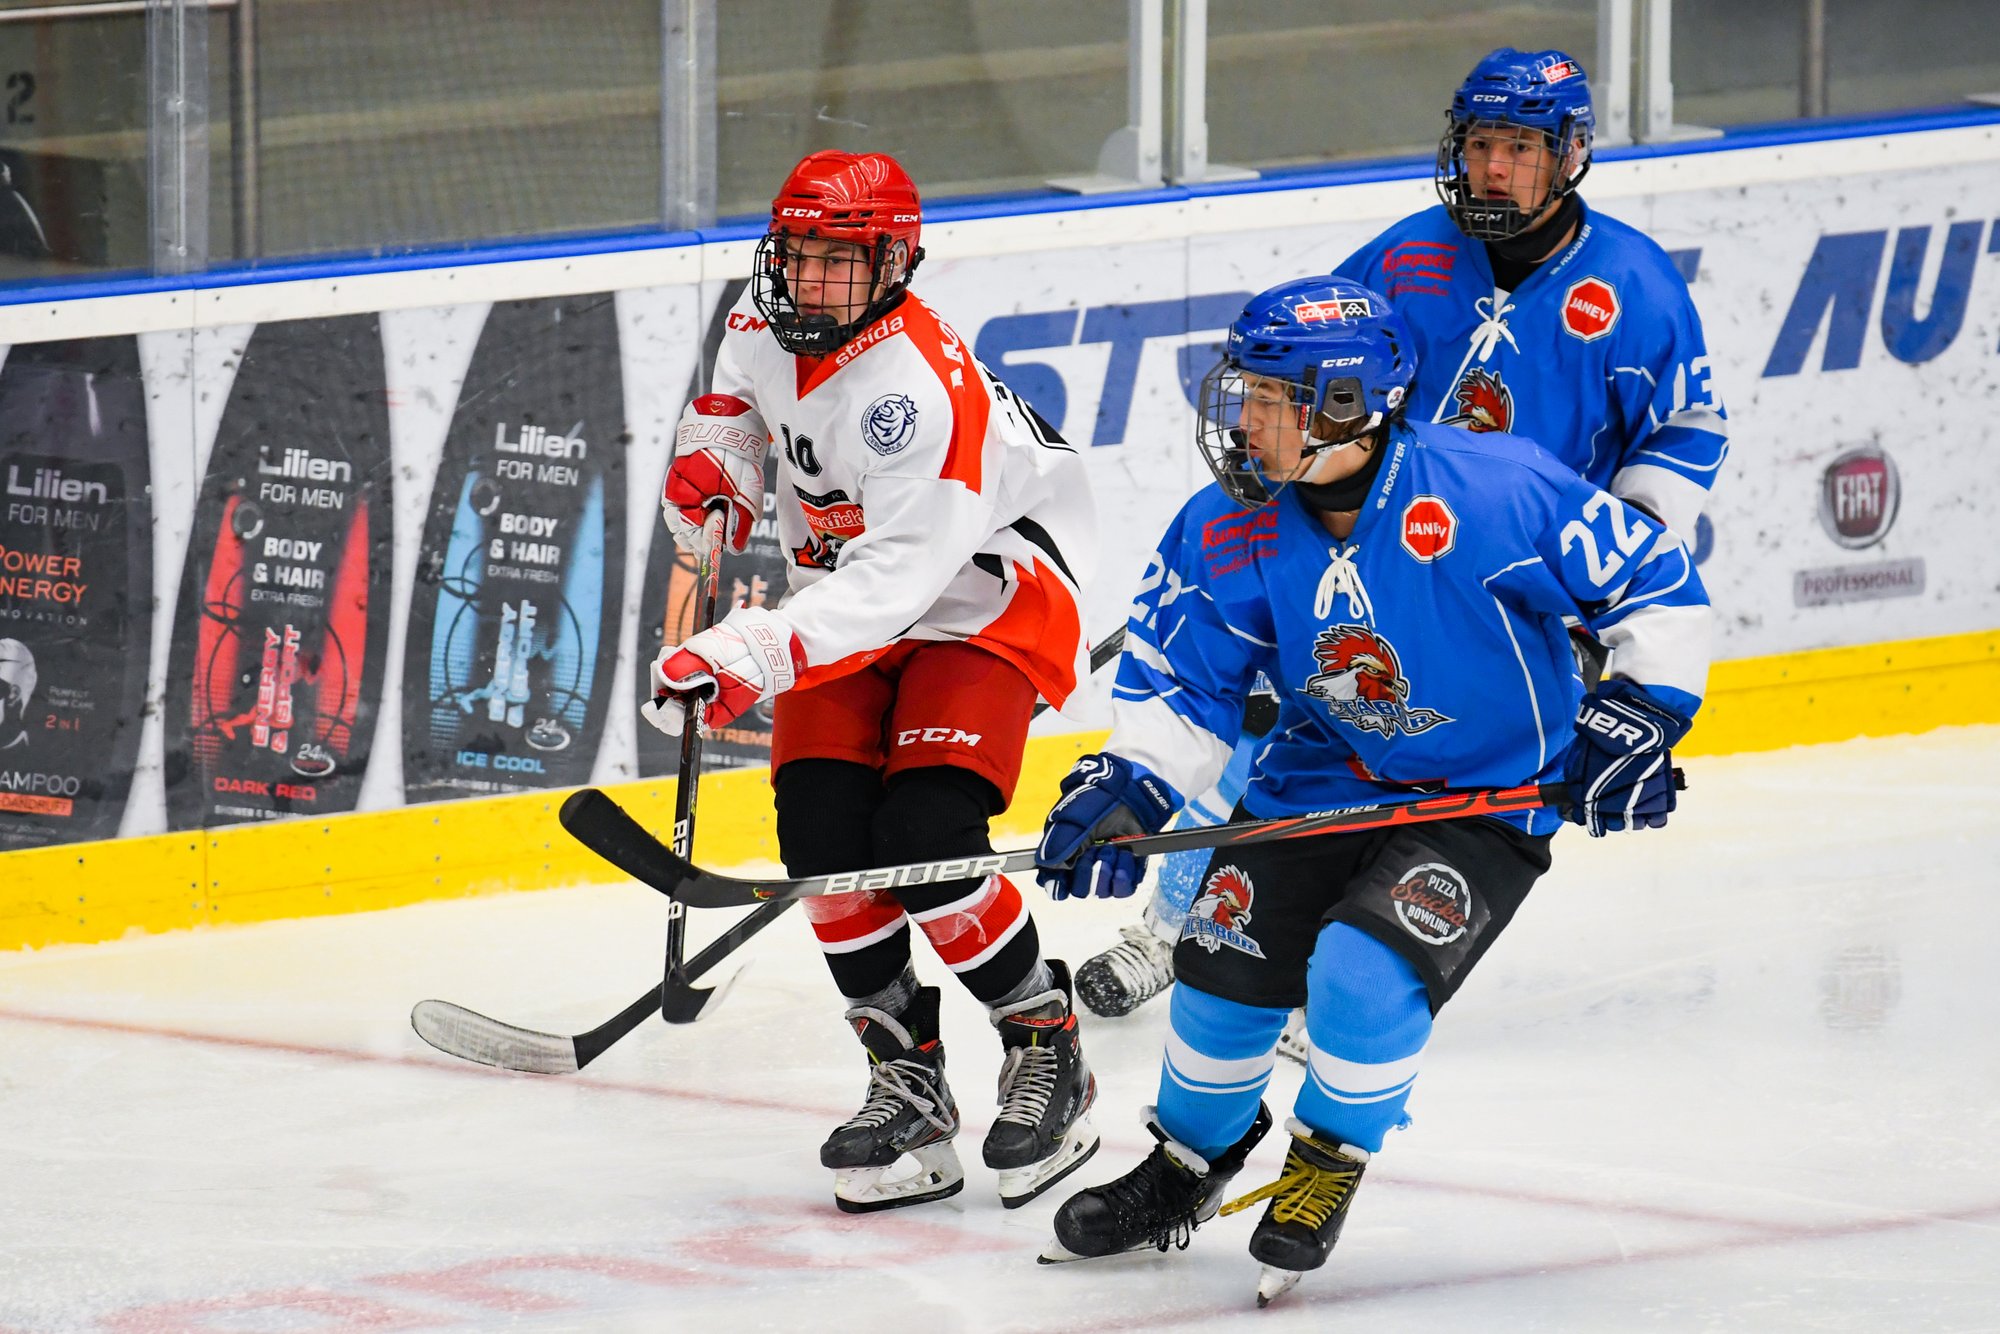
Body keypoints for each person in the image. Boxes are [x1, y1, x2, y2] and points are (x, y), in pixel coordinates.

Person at [1033, 276, 1711, 1305]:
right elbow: (1183, 683)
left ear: (1346, 405)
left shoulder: (1492, 488)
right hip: (1313, 776)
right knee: (1219, 979)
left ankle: (1326, 1159)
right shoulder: (1225, 524)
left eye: (1273, 399)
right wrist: (1129, 782)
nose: (1244, 420)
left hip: (1479, 795)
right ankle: (1186, 1163)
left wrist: (1639, 709)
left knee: (1361, 972)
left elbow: (1654, 584)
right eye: (1245, 393)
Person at [1073, 45, 1728, 1027]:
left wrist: (1624, 544)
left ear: (1570, 154)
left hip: (1505, 574)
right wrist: (1264, 529)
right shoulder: (1403, 257)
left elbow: (1684, 426)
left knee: (1407, 746)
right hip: (1364, 535)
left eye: (1519, 147)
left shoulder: (1634, 286)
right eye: (1480, 143)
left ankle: (1339, 973)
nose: (1493, 167)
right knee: (1272, 721)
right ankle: (1181, 924)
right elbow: (1298, 383)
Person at [643, 150, 1100, 1213]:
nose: (809, 279)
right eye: (797, 252)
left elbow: (901, 581)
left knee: (924, 841)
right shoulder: (765, 314)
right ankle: (908, 1082)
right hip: (843, 592)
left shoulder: (918, 390)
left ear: (895, 264)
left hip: (983, 597)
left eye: (838, 260)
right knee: (822, 845)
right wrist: (720, 458)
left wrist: (750, 651)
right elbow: (738, 400)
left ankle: (1046, 1044)